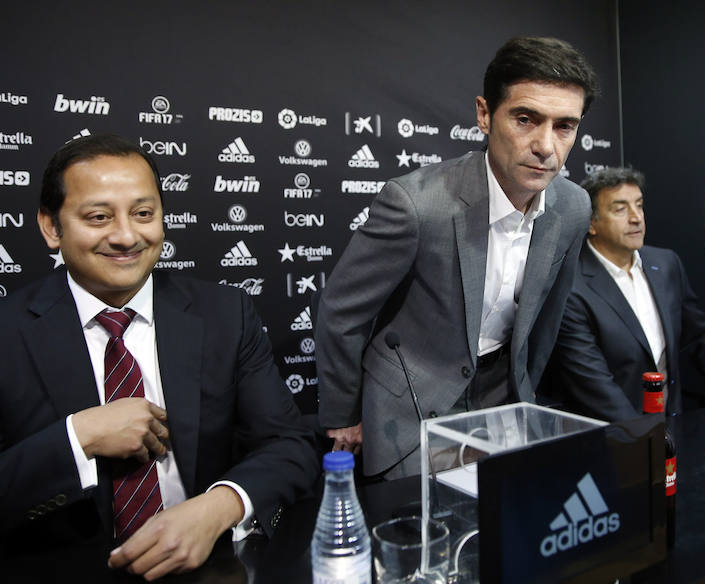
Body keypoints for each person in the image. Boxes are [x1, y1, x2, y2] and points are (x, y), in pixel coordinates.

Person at [0, 134, 319, 580]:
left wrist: (219, 505)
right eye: (98, 216)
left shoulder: (225, 313)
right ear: (52, 227)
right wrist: (79, 438)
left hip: (210, 566)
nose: (127, 235)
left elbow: (290, 444)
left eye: (143, 214)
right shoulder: (9, 331)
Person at [315, 36, 596, 479]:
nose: (546, 146)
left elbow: (548, 319)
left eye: (564, 126)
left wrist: (525, 395)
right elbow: (340, 312)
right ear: (484, 114)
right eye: (526, 119)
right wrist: (344, 414)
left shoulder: (574, 207)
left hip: (504, 401)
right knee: (427, 536)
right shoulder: (416, 204)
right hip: (409, 405)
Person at [547, 167, 705, 422]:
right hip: (611, 437)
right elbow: (594, 384)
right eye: (620, 209)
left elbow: (703, 337)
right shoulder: (570, 286)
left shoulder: (666, 264)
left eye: (639, 205)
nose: (636, 218)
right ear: (591, 223)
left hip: (672, 426)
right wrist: (647, 442)